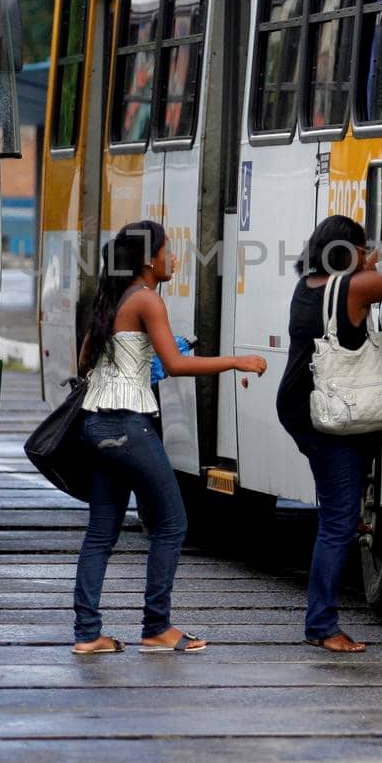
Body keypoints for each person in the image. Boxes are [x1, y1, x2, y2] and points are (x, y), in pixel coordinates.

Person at [71, 219, 266, 655]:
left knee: (101, 533)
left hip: (95, 423)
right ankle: (157, 626)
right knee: (172, 523)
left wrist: (129, 360)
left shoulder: (110, 297)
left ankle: (88, 634)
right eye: (168, 250)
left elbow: (84, 360)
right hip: (128, 423)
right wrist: (236, 361)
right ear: (148, 260)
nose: (173, 258)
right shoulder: (146, 300)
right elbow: (175, 365)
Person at [276, 215, 382, 653]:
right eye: (363, 249)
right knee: (337, 523)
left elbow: (372, 268)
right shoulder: (354, 289)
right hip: (330, 413)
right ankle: (322, 626)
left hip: (301, 406)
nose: (368, 256)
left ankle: (351, 501)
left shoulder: (309, 287)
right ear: (348, 253)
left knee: (341, 500)